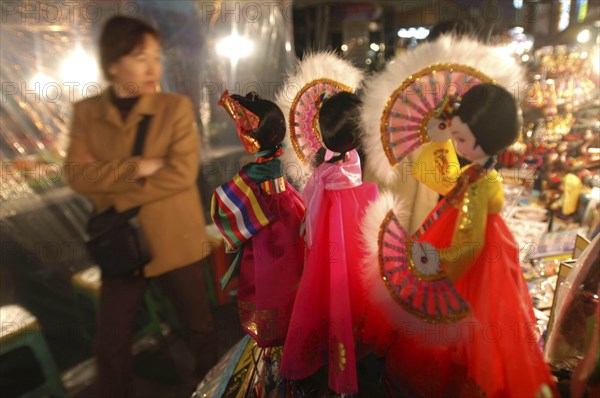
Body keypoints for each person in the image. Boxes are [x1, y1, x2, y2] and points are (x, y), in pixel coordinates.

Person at [366, 84, 557, 396]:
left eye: (463, 139)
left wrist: (436, 264)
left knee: (451, 329)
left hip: (467, 261)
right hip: (477, 249)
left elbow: (469, 244)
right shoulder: (480, 176)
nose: (457, 144)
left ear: (485, 140)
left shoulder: (479, 185)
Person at [65, 16, 216, 397]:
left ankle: (215, 387)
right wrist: (140, 167)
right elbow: (76, 176)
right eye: (139, 56)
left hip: (174, 239)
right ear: (113, 63)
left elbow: (181, 174)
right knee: (110, 342)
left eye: (156, 57)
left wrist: (111, 184)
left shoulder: (175, 109)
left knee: (198, 328)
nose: (154, 68)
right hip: (122, 244)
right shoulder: (87, 112)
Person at [279, 91, 379, 395]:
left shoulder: (323, 170)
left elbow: (311, 207)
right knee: (349, 288)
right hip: (351, 218)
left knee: (324, 285)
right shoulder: (350, 164)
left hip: (327, 227)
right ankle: (350, 352)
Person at [211, 90, 305, 348]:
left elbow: (224, 204)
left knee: (270, 275)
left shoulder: (255, 169)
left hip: (269, 222)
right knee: (292, 266)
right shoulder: (272, 162)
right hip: (287, 209)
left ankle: (278, 330)